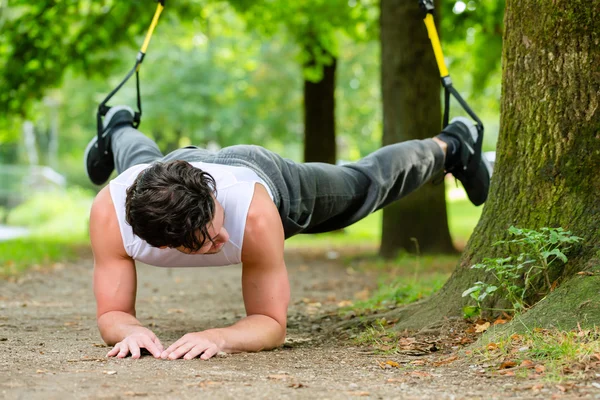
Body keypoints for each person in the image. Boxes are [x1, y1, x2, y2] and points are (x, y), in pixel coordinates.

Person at [85, 105, 491, 361]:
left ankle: (451, 145)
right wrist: (131, 330)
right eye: (207, 243)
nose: (223, 239)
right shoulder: (111, 216)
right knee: (139, 160)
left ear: (210, 192)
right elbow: (112, 314)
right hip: (166, 173)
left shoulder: (254, 214)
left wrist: (219, 337)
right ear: (161, 245)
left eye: (218, 223)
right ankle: (117, 125)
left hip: (265, 175)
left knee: (360, 185)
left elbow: (270, 321)